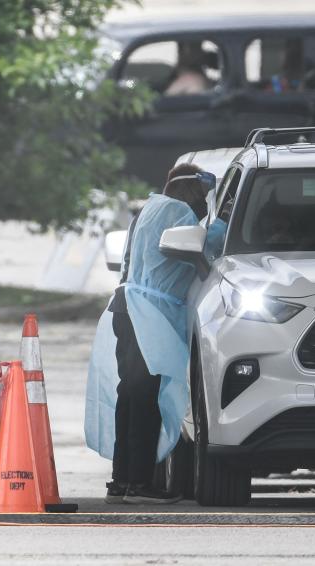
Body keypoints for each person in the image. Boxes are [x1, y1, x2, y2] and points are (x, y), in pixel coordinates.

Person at [85, 163, 227, 504]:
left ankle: (122, 481)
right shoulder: (175, 210)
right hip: (145, 314)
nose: (202, 203)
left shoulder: (151, 207)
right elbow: (207, 245)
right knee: (144, 397)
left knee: (132, 397)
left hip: (129, 309)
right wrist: (223, 222)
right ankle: (138, 484)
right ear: (192, 191)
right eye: (203, 194)